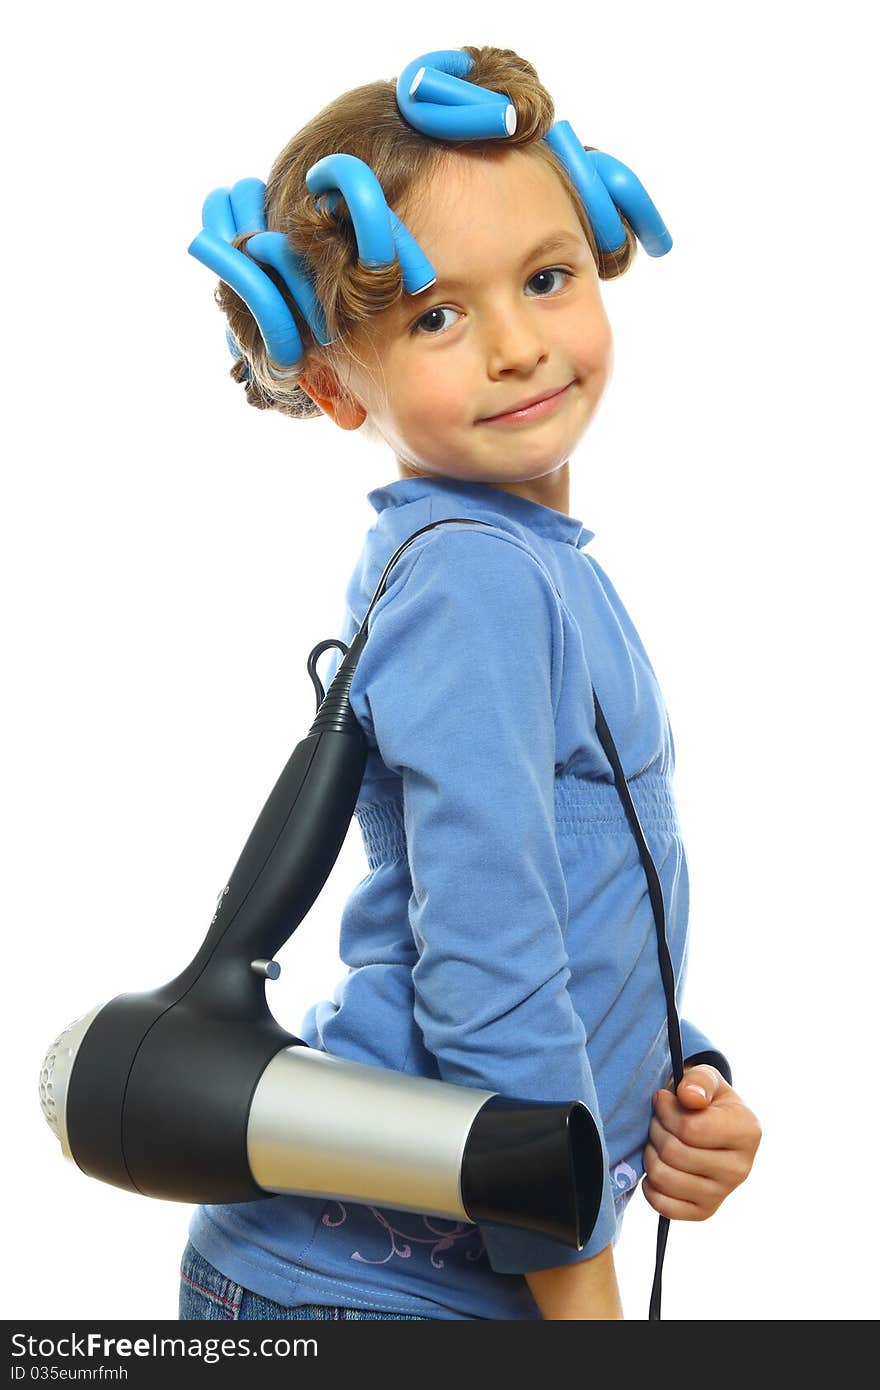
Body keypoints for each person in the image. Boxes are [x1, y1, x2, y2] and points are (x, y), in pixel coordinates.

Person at [179, 44, 761, 1323]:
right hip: (374, 1288)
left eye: (547, 278)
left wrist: (677, 1071)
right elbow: (488, 973)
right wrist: (585, 1294)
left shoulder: (525, 564)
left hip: (430, 1266)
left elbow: (569, 900)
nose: (516, 346)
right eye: (436, 315)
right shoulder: (478, 580)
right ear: (333, 382)